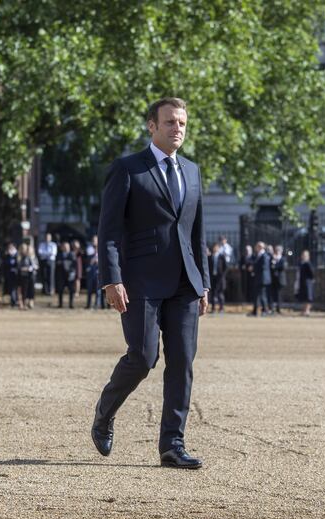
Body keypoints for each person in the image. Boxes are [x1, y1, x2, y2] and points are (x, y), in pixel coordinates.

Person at [92, 97, 210, 469]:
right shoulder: (128, 169)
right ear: (152, 126)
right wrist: (112, 279)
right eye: (171, 123)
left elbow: (197, 233)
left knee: (182, 363)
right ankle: (105, 411)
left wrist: (203, 282)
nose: (178, 129)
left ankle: (172, 444)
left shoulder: (191, 171)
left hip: (185, 284)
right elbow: (108, 231)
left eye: (183, 124)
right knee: (143, 357)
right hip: (140, 281)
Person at [249, 241, 272, 317]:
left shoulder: (264, 255)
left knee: (262, 295)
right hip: (258, 278)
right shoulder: (258, 255)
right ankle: (255, 311)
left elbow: (263, 267)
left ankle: (265, 310)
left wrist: (253, 268)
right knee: (256, 295)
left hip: (263, 279)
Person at [55, 241, 77, 308]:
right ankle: (60, 304)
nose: (66, 248)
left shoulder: (72, 254)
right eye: (64, 247)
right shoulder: (59, 255)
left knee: (71, 290)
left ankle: (71, 304)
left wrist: (63, 262)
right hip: (61, 275)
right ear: (62, 248)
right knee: (60, 290)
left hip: (70, 274)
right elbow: (57, 263)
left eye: (67, 247)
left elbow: (74, 263)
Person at [19, 242, 38, 309]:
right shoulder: (24, 257)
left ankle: (31, 301)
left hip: (32, 275)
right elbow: (20, 266)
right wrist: (25, 269)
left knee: (31, 289)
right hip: (25, 276)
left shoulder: (34, 257)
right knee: (25, 290)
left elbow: (36, 266)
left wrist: (31, 268)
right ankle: (25, 303)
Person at [209, 242, 227, 313]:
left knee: (220, 293)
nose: (215, 248)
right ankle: (213, 308)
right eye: (214, 247)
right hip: (213, 277)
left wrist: (222, 275)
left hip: (220, 278)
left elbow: (225, 267)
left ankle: (221, 308)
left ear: (218, 248)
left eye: (216, 247)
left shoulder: (222, 256)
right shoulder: (210, 257)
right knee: (213, 293)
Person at [295, 250, 314, 317]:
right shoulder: (301, 263)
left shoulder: (308, 263)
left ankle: (307, 311)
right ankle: (304, 310)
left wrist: (310, 280)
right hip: (302, 282)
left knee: (308, 297)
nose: (303, 256)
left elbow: (312, 273)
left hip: (307, 282)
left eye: (305, 255)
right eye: (303, 255)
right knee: (304, 297)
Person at [85, 235, 102, 309]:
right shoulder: (89, 250)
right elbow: (89, 262)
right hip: (91, 273)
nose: (94, 242)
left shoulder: (101, 251)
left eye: (95, 240)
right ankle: (88, 305)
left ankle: (97, 305)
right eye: (93, 240)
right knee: (89, 290)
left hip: (99, 273)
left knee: (98, 291)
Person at [2, 242, 21, 309]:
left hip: (17, 275)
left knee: (16, 289)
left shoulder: (17, 255)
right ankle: (13, 301)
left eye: (11, 247)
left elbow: (18, 264)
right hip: (9, 275)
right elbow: (4, 264)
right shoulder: (7, 256)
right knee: (11, 289)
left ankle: (16, 301)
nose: (10, 249)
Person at [270, 245, 287, 314]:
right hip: (273, 279)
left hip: (280, 280)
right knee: (273, 294)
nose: (277, 252)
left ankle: (279, 308)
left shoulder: (283, 259)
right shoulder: (273, 259)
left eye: (278, 250)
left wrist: (275, 264)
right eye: (276, 250)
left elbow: (282, 267)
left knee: (279, 295)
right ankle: (273, 308)